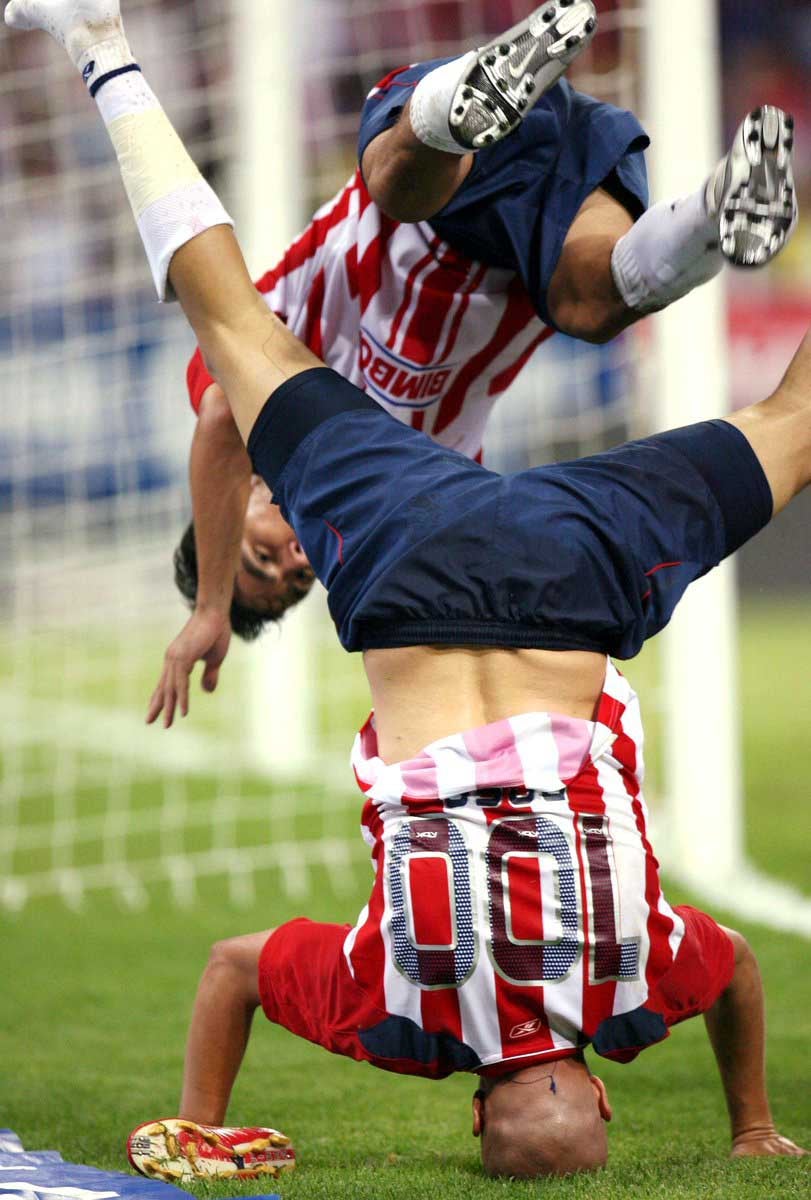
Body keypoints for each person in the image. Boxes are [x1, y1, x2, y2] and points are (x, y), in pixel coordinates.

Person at [5, 0, 808, 1178]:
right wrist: (201, 1125)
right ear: (474, 1114)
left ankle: (646, 206)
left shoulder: (641, 978)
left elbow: (731, 967)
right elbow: (234, 966)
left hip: (566, 565)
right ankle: (102, 48)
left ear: (601, 1086)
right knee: (233, 317)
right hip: (415, 555)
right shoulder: (404, 1018)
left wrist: (752, 1125)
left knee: (788, 427)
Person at [169, 0, 797, 661]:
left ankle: (469, 101)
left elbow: (217, 419)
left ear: (222, 509)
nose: (289, 560)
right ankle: (720, 208)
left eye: (255, 558)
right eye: (295, 581)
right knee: (593, 305)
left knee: (400, 187)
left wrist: (211, 608)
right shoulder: (415, 476)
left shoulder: (242, 380)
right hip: (530, 233)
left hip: (425, 162)